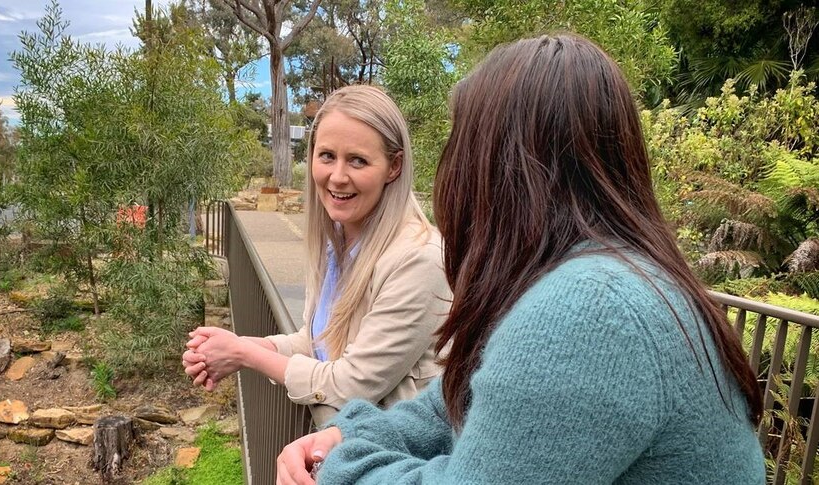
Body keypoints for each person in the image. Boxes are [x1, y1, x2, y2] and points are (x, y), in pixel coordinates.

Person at [275, 34, 766, 484]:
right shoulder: (610, 274)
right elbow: (466, 400)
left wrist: (342, 466)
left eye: (462, 144)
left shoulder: (589, 310)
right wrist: (354, 436)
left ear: (501, 165)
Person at [182, 85, 451, 425]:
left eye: (358, 160)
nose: (338, 177)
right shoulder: (335, 242)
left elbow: (350, 384)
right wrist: (236, 347)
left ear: (394, 167)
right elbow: (318, 343)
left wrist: (245, 353)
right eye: (327, 156)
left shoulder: (419, 260)